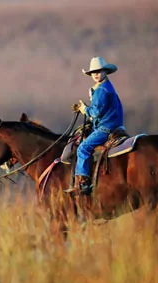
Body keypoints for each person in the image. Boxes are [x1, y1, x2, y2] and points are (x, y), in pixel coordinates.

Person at [66, 57, 124, 195]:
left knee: (83, 148)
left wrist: (84, 109)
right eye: (93, 72)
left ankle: (83, 183)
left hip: (105, 127)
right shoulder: (105, 87)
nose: (96, 74)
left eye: (99, 71)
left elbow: (96, 112)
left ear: (105, 72)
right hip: (113, 124)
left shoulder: (102, 90)